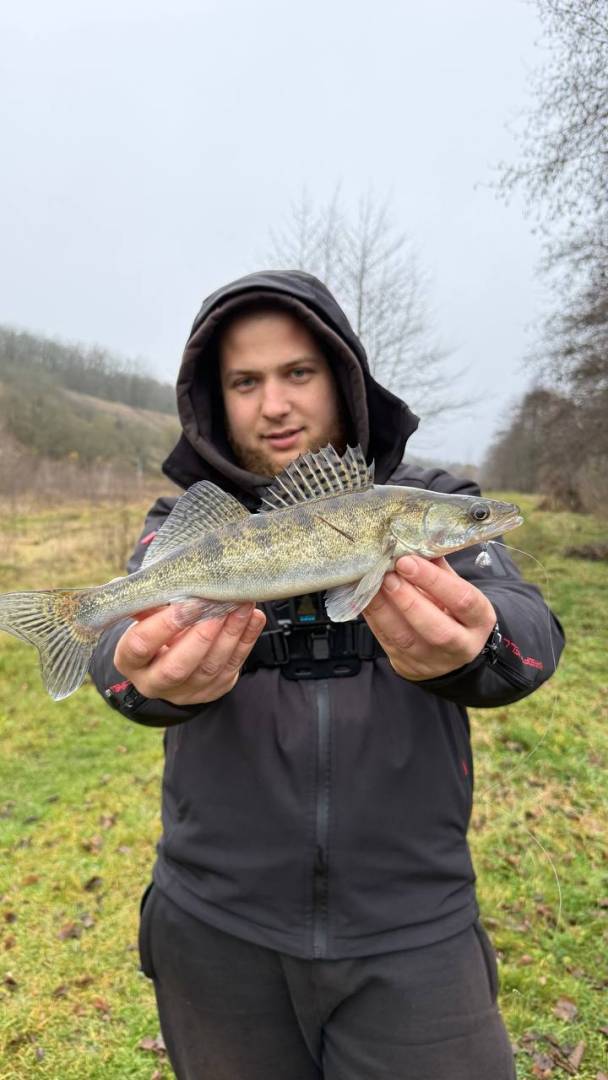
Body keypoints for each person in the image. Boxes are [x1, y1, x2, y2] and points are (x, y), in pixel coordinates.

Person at [91, 270, 564, 1080]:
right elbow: (116, 660)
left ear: (345, 378)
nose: (273, 404)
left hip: (414, 926)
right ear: (216, 398)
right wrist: (139, 675)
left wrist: (481, 641)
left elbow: (528, 627)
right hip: (214, 921)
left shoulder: (434, 502)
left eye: (297, 373)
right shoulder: (184, 525)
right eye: (245, 381)